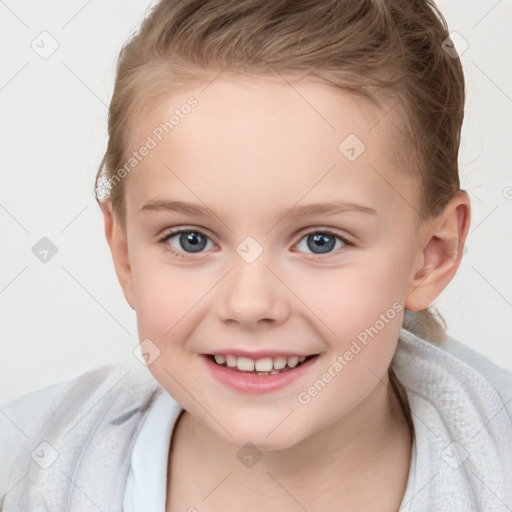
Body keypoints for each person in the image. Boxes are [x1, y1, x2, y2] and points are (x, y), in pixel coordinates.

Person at [1, 1, 511, 510]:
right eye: (191, 239)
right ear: (126, 254)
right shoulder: (20, 466)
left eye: (321, 241)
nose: (249, 304)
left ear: (432, 256)